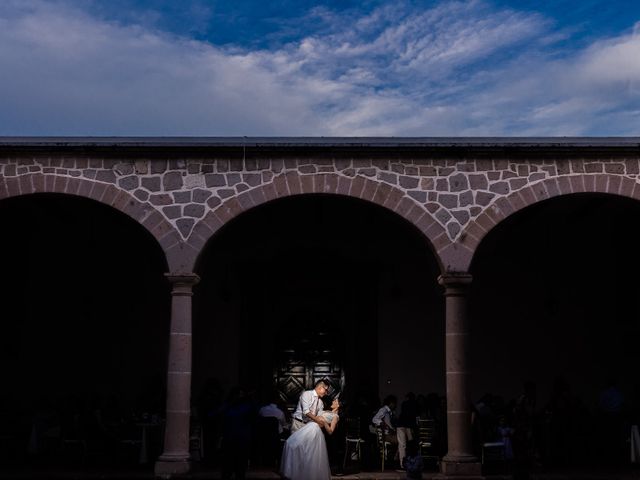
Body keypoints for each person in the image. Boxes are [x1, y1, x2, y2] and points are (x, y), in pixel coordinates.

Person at [281, 396, 341, 480]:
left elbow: (330, 431)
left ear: (339, 405)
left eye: (335, 401)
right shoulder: (326, 411)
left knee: (306, 451)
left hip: (315, 430)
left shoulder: (335, 416)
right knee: (290, 443)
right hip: (309, 426)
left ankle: (306, 474)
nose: (333, 402)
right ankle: (294, 471)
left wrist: (324, 422)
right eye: (333, 401)